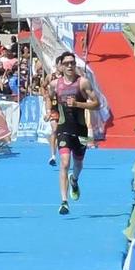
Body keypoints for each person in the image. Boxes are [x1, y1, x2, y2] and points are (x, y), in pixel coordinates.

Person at [49, 51, 99, 216]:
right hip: (64, 129)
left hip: (81, 129)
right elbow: (50, 98)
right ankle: (64, 202)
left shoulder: (83, 83)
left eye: (72, 63)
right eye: (67, 63)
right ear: (61, 66)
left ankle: (74, 180)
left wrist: (77, 104)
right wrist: (52, 111)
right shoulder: (55, 84)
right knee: (64, 162)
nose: (70, 66)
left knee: (78, 163)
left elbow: (97, 104)